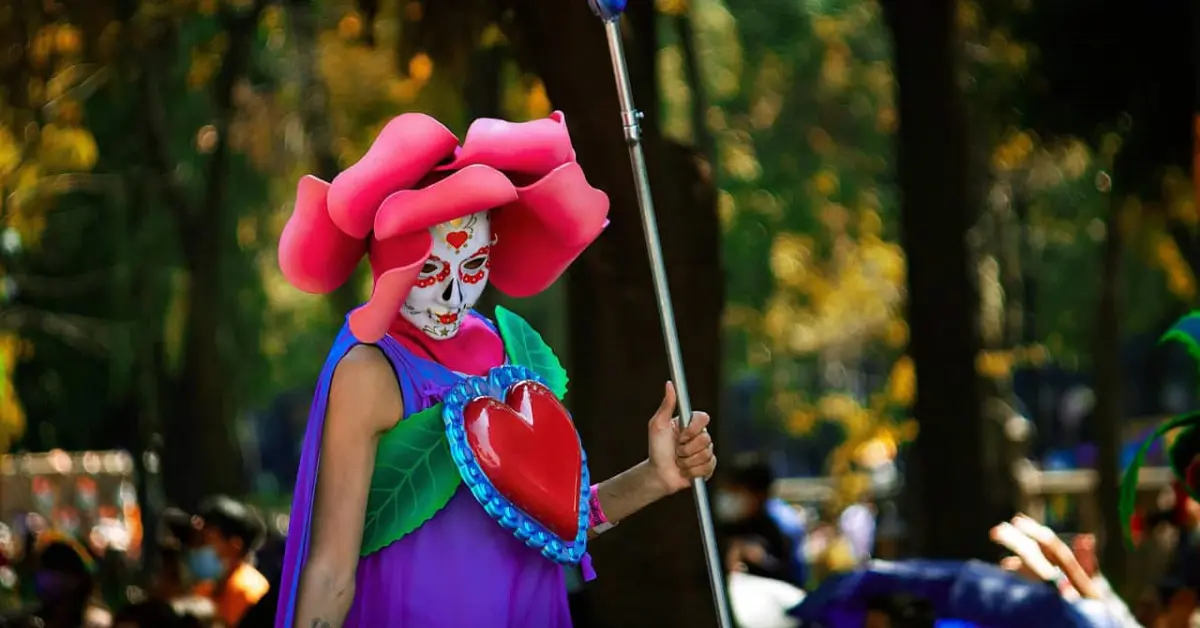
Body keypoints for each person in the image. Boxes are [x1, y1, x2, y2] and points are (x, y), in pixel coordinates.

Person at [273, 111, 718, 627]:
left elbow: (550, 524)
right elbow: (331, 570)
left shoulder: (506, 354)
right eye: (432, 269)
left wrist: (658, 476)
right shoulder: (370, 372)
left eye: (473, 267)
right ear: (392, 259)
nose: (452, 294)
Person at [716, 456, 806, 587]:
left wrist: (760, 559)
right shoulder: (724, 528)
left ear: (759, 494)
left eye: (736, 491)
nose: (731, 498)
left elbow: (789, 577)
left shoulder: (781, 527)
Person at [1, 532, 110, 628]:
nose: (48, 580)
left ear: (77, 579)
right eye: (45, 570)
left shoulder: (97, 622)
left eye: (57, 571)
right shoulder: (26, 621)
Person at [190, 495, 269, 627]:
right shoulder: (207, 588)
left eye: (209, 539)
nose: (201, 547)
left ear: (235, 545)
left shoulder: (248, 592)